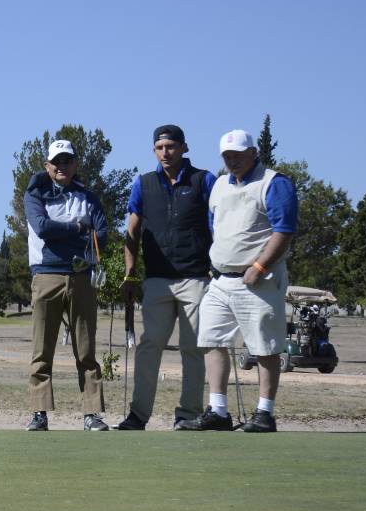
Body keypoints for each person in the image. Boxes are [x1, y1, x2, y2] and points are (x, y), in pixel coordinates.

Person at [176, 129, 298, 433]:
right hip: (221, 279)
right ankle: (218, 410)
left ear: (253, 152)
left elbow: (284, 231)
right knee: (212, 340)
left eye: (238, 155)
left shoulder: (274, 182)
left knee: (265, 346)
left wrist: (259, 265)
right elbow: (215, 225)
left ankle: (264, 413)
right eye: (227, 156)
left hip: (259, 277)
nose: (232, 161)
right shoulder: (219, 185)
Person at [116, 125, 216, 430]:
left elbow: (219, 223)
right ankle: (138, 414)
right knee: (149, 346)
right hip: (157, 279)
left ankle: (188, 415)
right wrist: (130, 273)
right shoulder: (144, 184)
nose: (165, 153)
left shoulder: (203, 180)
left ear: (184, 147)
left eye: (171, 147)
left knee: (193, 348)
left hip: (195, 278)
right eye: (160, 147)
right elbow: (132, 232)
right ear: (153, 150)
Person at [23, 139, 110, 431]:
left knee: (86, 350)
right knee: (41, 350)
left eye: (67, 160)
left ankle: (92, 414)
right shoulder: (35, 194)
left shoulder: (87, 196)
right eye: (56, 161)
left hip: (82, 276)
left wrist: (80, 235)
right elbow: (43, 228)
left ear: (75, 164)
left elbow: (103, 233)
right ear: (47, 166)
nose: (62, 166)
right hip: (46, 275)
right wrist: (77, 228)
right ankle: (39, 413)